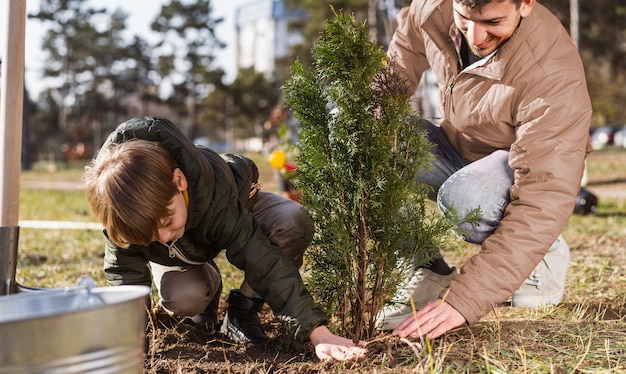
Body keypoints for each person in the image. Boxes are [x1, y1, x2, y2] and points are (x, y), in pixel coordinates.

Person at [375, 0, 592, 340]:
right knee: (368, 137)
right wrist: (367, 126)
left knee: (467, 199)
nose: (475, 36)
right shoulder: (432, 9)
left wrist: (464, 299)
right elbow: (399, 65)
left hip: (527, 170)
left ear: (526, 4)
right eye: (464, 18)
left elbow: (543, 195)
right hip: (458, 148)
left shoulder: (551, 72)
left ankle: (543, 256)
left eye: (492, 22)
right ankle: (426, 269)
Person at [82, 116, 367, 361]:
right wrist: (131, 340)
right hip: (186, 253)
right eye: (150, 235)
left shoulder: (215, 194)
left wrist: (317, 332)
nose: (165, 236)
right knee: (184, 297)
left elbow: (261, 259)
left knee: (293, 222)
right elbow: (125, 277)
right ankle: (207, 295)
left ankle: (243, 310)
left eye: (167, 221)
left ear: (179, 180)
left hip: (234, 205)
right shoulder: (121, 209)